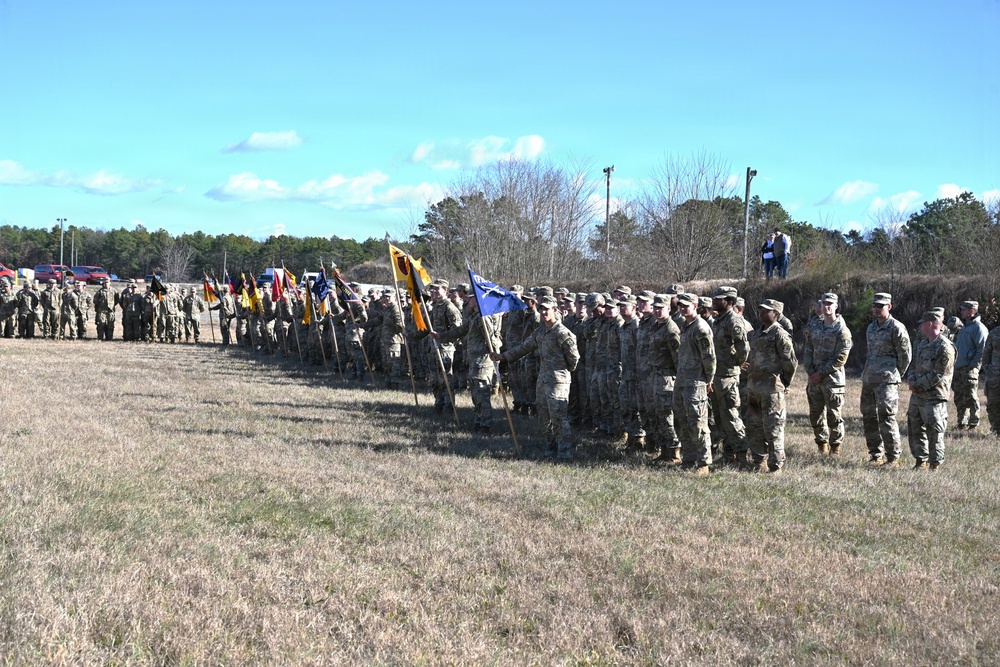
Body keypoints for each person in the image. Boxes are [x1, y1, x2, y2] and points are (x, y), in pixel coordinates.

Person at [494, 295, 579, 459]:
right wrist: (503, 356)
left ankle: (564, 451)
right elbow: (523, 348)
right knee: (543, 416)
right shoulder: (540, 332)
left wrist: (563, 371)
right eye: (541, 309)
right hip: (543, 380)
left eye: (547, 309)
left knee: (558, 417)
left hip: (558, 381)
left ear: (555, 310)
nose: (544, 312)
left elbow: (574, 358)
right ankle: (550, 447)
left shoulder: (562, 333)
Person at [860, 293, 912, 467]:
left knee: (887, 417)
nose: (876, 309)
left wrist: (896, 375)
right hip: (869, 378)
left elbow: (905, 355)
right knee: (869, 417)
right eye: (874, 305)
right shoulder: (871, 328)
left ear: (889, 307)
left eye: (880, 306)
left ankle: (892, 457)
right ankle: (875, 454)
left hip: (887, 380)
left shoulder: (896, 328)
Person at [745, 299, 797, 473]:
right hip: (754, 389)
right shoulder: (756, 334)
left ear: (775, 314)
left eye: (765, 310)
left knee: (773, 428)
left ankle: (776, 466)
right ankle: (759, 462)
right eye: (760, 310)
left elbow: (790, 362)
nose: (761, 313)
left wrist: (783, 382)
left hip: (772, 390)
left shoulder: (780, 334)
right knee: (754, 427)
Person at [803, 293, 853, 456]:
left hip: (833, 381)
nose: (827, 306)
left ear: (836, 306)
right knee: (815, 415)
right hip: (814, 380)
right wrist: (811, 371)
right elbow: (808, 349)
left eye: (830, 304)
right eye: (824, 303)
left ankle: (835, 448)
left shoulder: (841, 329)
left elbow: (841, 357)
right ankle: (822, 445)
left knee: (834, 416)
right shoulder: (816, 326)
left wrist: (821, 373)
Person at [906, 310, 956, 470]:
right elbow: (913, 364)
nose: (920, 326)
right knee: (915, 428)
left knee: (934, 431)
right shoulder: (922, 343)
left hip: (934, 397)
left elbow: (939, 375)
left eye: (922, 323)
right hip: (917, 395)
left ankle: (934, 464)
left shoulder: (945, 347)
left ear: (929, 324)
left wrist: (918, 385)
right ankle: (920, 461)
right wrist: (911, 379)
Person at [673, 293, 716, 474]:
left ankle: (703, 463)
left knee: (698, 423)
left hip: (696, 381)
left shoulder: (701, 328)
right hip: (683, 379)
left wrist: (709, 379)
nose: (683, 308)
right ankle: (688, 458)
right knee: (682, 421)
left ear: (695, 305)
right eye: (680, 305)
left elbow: (709, 357)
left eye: (686, 305)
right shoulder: (685, 325)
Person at [710, 286, 749, 466]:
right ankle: (728, 455)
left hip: (728, 376)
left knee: (732, 417)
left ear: (730, 302)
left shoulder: (734, 321)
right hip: (717, 375)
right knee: (720, 418)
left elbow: (743, 348)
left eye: (719, 299)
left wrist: (737, 363)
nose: (715, 301)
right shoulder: (718, 321)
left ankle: (741, 455)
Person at [648, 294, 681, 463]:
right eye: (655, 308)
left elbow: (677, 358)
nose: (657, 311)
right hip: (655, 377)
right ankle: (664, 450)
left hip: (667, 378)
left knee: (668, 416)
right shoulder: (656, 326)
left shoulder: (671, 329)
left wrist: (675, 378)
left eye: (661, 308)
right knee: (659, 415)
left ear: (669, 309)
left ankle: (674, 452)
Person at [953, 300, 988, 431]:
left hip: (969, 369)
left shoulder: (979, 328)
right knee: (959, 397)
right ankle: (961, 422)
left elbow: (982, 350)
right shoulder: (964, 328)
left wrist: (973, 366)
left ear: (971, 311)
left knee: (971, 396)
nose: (961, 311)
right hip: (958, 368)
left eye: (964, 309)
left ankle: (974, 422)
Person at [982, 323, 1000, 436]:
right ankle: (996, 429)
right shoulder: (994, 333)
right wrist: (988, 369)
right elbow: (986, 353)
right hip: (994, 377)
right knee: (993, 404)